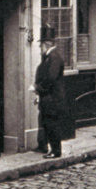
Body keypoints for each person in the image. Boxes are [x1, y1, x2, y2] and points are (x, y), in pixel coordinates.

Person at [33, 25, 69, 158]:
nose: (40, 48)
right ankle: (47, 147)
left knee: (52, 125)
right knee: (47, 123)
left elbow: (51, 78)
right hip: (48, 98)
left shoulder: (54, 58)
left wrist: (37, 88)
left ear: (46, 45)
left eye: (41, 45)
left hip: (53, 99)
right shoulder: (50, 57)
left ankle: (55, 151)